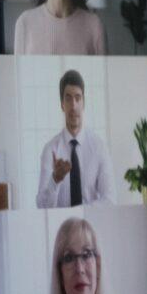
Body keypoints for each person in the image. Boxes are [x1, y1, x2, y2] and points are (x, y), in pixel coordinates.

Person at [34, 68, 116, 208]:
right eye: (68, 98)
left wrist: (80, 212)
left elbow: (110, 199)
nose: (73, 106)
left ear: (84, 102)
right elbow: (42, 206)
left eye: (78, 98)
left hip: (90, 225)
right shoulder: (50, 150)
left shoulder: (99, 147)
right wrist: (55, 180)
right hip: (59, 228)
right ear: (62, 104)